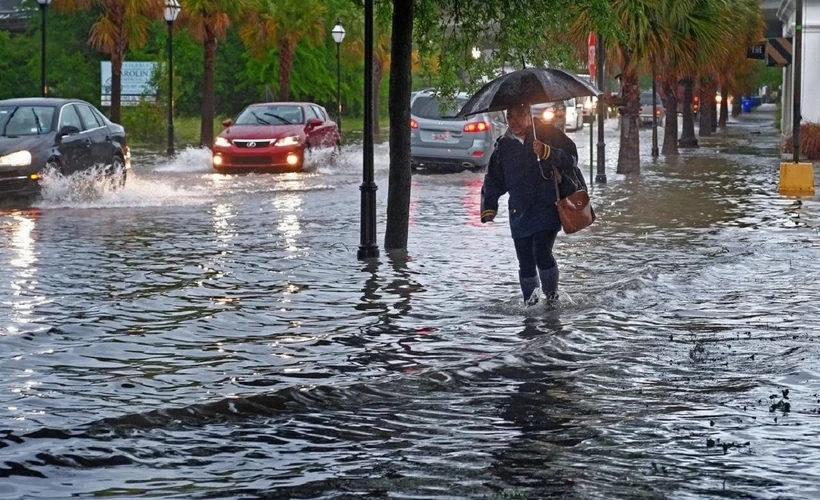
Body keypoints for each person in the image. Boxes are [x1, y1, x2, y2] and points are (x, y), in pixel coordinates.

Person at [480, 104, 583, 305]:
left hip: (548, 208)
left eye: (519, 116)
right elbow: (493, 179)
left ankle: (552, 300)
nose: (514, 121)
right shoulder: (503, 146)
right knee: (525, 262)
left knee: (542, 252)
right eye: (510, 117)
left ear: (529, 115)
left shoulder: (548, 133)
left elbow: (571, 160)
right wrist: (488, 206)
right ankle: (530, 305)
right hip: (519, 212)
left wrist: (547, 152)